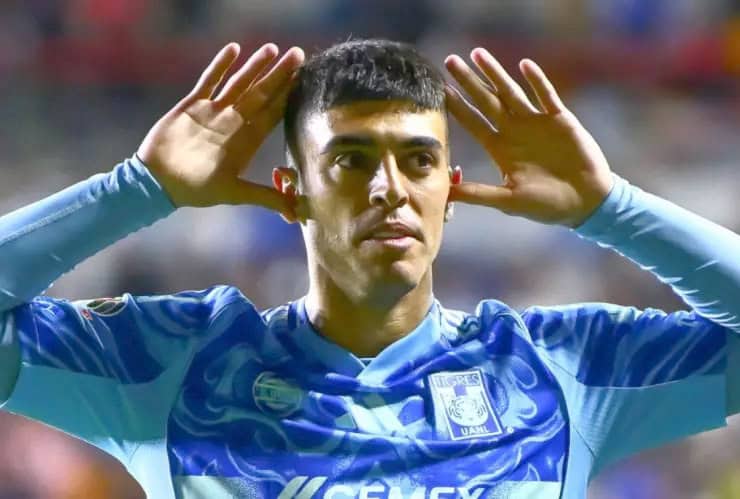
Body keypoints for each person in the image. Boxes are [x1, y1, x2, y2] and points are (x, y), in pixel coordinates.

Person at [0, 38, 738, 499]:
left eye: (418, 160)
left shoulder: (560, 369)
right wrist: (138, 189)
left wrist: (612, 208)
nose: (390, 188)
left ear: (450, 191)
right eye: (351, 161)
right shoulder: (173, 364)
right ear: (292, 191)